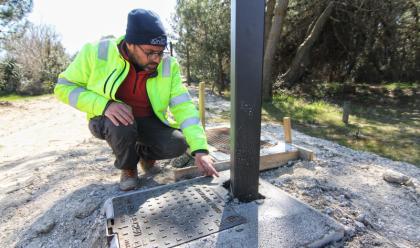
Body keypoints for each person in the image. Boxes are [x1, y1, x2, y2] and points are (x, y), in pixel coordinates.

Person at [54, 9, 219, 191]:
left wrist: (200, 149)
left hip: (147, 121)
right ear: (130, 44)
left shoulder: (168, 65)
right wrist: (104, 105)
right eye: (149, 52)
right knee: (120, 124)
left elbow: (184, 107)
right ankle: (128, 168)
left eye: (160, 52)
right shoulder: (96, 52)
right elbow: (64, 87)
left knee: (179, 143)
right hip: (108, 119)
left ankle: (145, 157)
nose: (156, 59)